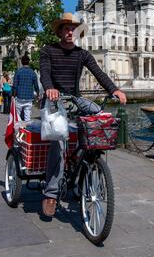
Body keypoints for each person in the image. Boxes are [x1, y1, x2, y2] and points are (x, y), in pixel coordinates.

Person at [39, 12, 127, 218]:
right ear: (60, 31)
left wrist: (114, 90)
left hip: (75, 98)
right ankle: (51, 193)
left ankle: (88, 166)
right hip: (54, 100)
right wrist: (50, 88)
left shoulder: (82, 54)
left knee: (101, 117)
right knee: (58, 140)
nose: (70, 32)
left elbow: (99, 73)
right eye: (66, 28)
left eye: (73, 29)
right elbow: (44, 73)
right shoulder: (48, 51)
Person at [13, 55, 40, 122]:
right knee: (27, 116)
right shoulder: (33, 73)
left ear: (21, 62)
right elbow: (36, 85)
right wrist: (37, 93)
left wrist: (13, 94)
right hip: (29, 96)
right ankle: (26, 129)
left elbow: (15, 85)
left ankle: (19, 129)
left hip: (19, 96)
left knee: (17, 114)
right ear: (29, 62)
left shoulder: (18, 72)